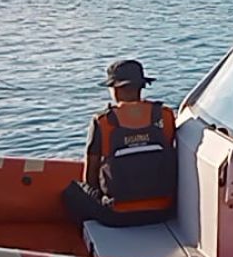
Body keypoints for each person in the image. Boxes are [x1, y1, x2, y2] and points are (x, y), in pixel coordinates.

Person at [62, 59, 178, 228]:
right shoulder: (166, 115)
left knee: (73, 192)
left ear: (115, 90)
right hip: (163, 212)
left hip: (117, 215)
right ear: (142, 86)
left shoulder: (102, 121)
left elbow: (90, 175)